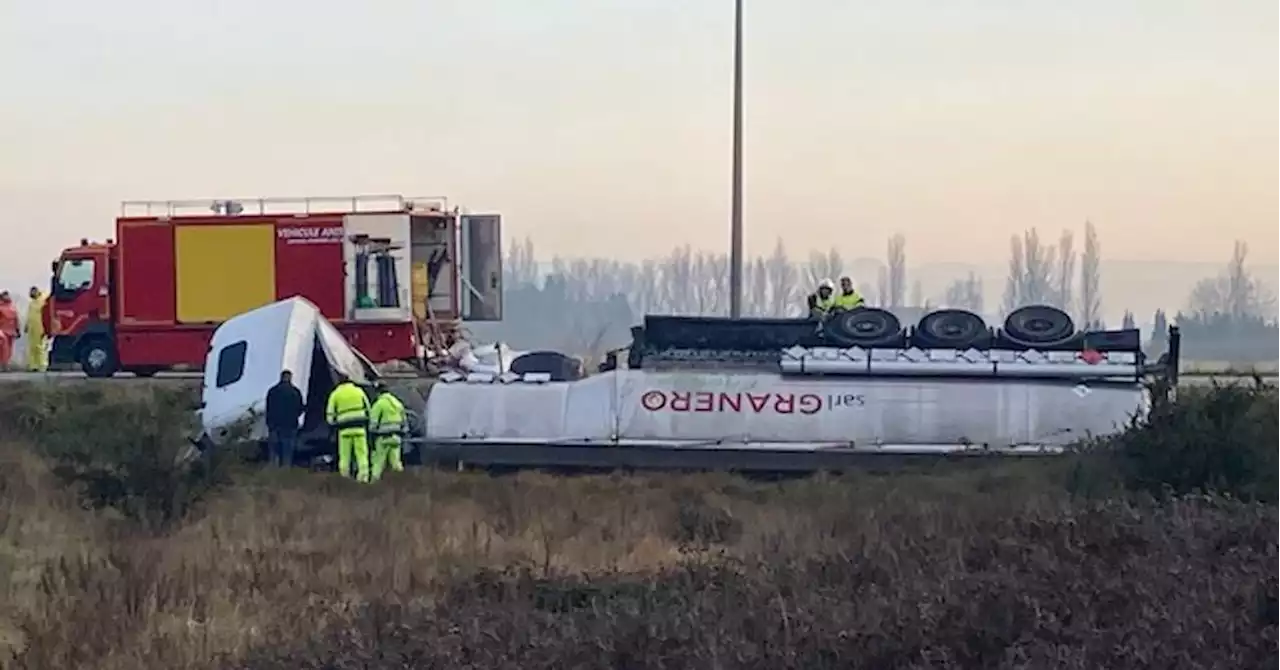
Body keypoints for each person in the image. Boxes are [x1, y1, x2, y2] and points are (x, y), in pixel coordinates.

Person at [325, 373, 372, 482]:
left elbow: (330, 415)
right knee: (362, 455)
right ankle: (363, 478)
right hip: (359, 429)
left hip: (344, 430)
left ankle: (344, 478)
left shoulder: (336, 394)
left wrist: (332, 425)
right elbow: (368, 409)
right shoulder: (358, 391)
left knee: (344, 456)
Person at [264, 370, 305, 467]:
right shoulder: (295, 392)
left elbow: (268, 408)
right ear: (290, 378)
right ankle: (285, 468)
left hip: (274, 424)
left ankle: (273, 467)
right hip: (290, 424)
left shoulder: (272, 391)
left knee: (274, 448)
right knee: (288, 449)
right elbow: (300, 408)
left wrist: (269, 422)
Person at [368, 381, 407, 481]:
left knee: (378, 462)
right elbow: (404, 422)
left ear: (378, 392)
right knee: (396, 462)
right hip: (396, 438)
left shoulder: (379, 404)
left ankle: (374, 483)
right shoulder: (397, 403)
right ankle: (402, 482)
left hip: (383, 438)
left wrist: (371, 434)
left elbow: (373, 422)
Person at [24, 286, 48, 372]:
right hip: (32, 328)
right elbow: (29, 315)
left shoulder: (43, 301)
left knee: (40, 347)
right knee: (32, 347)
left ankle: (42, 365)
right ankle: (33, 365)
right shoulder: (32, 303)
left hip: (40, 327)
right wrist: (26, 325)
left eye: (34, 292)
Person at [0, 291, 18, 371]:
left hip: (12, 330)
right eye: (5, 296)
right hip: (3, 330)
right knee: (4, 348)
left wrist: (18, 329)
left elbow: (16, 319)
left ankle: (6, 364)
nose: (7, 297)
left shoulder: (12, 306)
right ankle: (4, 365)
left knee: (9, 349)